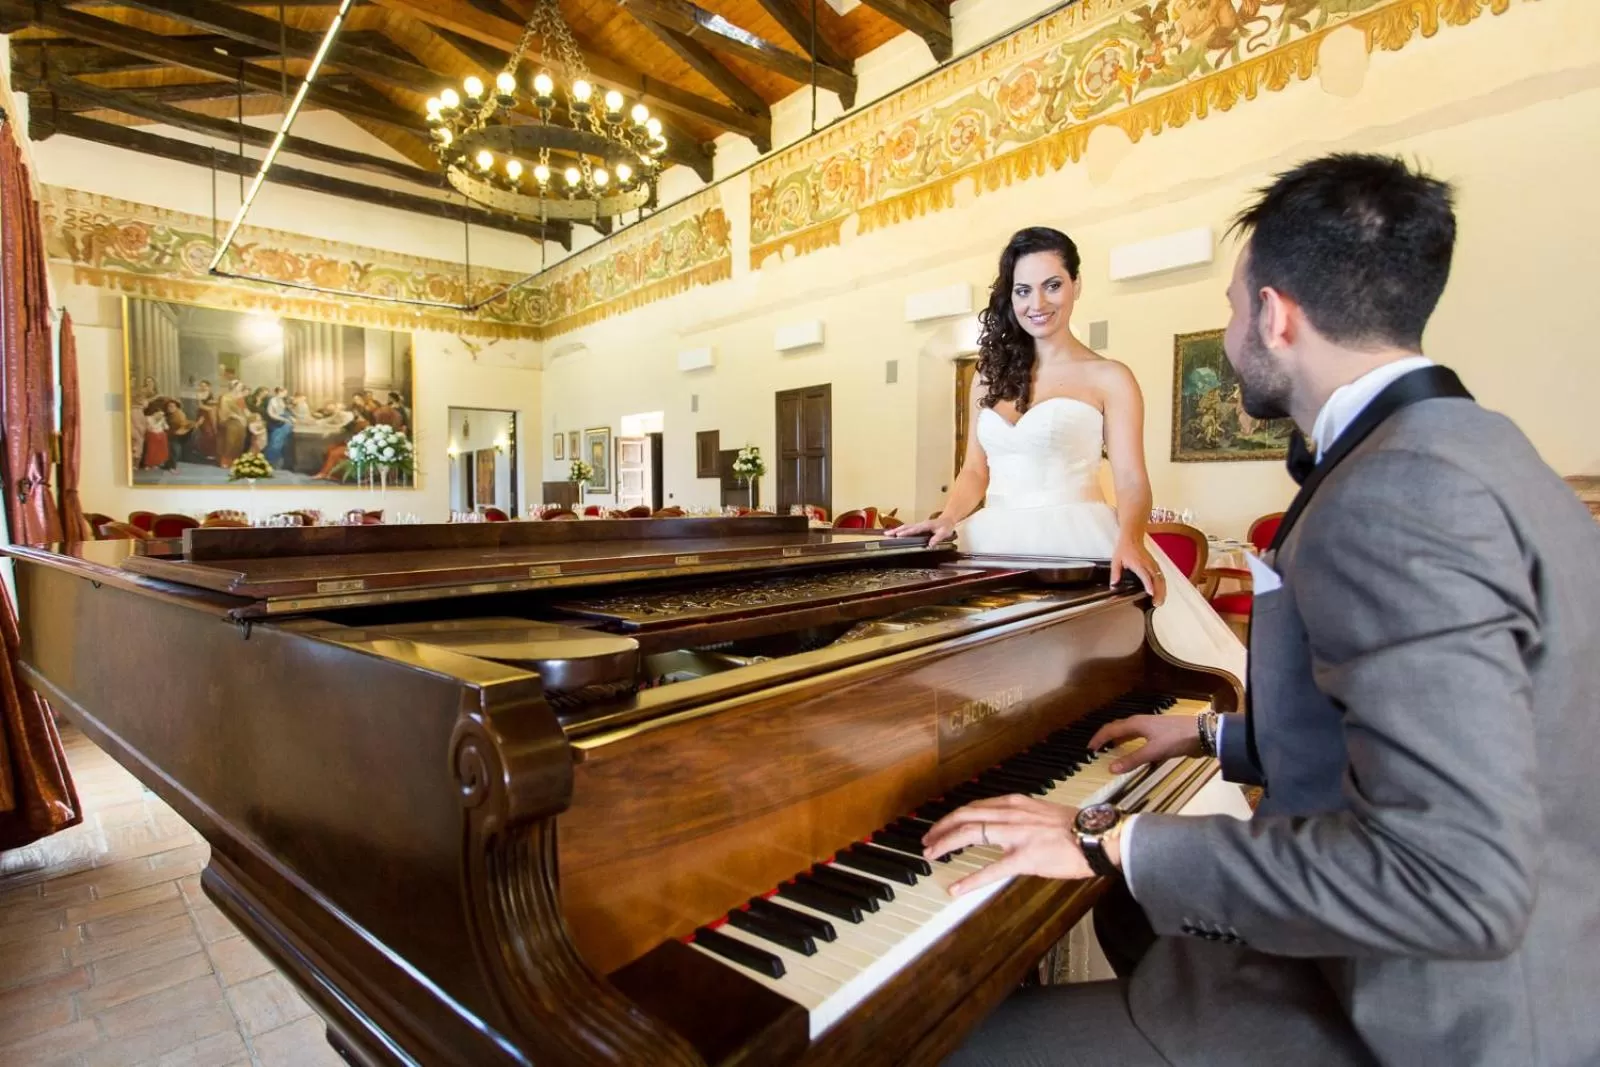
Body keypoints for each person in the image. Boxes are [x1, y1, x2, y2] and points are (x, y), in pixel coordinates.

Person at [930, 154, 1600, 1067]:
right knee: (1138, 929)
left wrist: (1111, 841)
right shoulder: (1475, 444)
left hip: (1424, 1015)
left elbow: (1455, 884)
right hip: (1443, 960)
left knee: (960, 1045)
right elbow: (1457, 736)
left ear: (1277, 316)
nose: (1230, 326)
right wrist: (1215, 739)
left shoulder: (1404, 493)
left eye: (1236, 306)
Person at [890, 226, 1244, 685]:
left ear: (1076, 284)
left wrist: (1131, 537)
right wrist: (949, 517)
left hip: (1076, 537)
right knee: (982, 680)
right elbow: (975, 471)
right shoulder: (987, 377)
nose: (1037, 303)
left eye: (1051, 285)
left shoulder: (1110, 377)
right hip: (990, 542)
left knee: (1073, 674)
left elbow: (1133, 479)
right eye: (1023, 290)